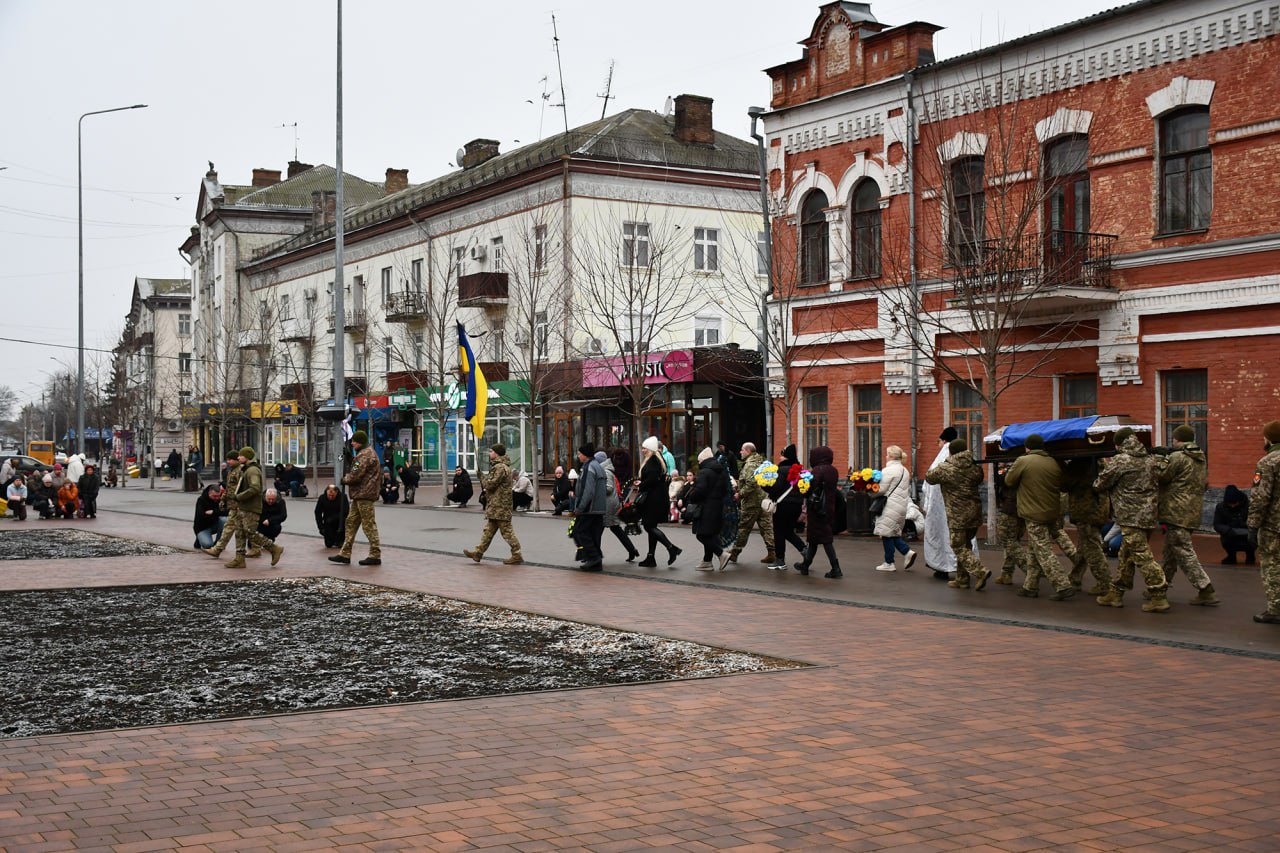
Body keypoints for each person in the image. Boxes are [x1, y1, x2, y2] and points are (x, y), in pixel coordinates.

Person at [1094, 428, 1167, 611]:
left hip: (1130, 516)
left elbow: (1100, 484)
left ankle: (1159, 595)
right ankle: (1116, 592)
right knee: (1126, 556)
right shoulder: (1151, 459)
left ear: (1119, 444)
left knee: (1143, 556)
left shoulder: (1121, 460)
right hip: (1148, 516)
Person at [1001, 435, 1073, 599]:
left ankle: (1062, 585)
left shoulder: (1023, 461)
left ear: (1027, 448)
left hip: (1033, 512)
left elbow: (1009, 480)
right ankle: (1030, 586)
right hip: (1051, 511)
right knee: (1033, 549)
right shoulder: (1052, 462)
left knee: (1043, 550)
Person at [1158, 424, 1217, 606]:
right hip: (1191, 511)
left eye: (1174, 438)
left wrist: (1159, 460)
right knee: (1170, 552)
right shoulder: (1200, 457)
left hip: (1175, 511)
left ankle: (1205, 587)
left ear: (1178, 439)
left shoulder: (1177, 457)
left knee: (1183, 552)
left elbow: (1161, 477)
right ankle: (1159, 586)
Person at [926, 438, 988, 591]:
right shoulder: (974, 466)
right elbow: (980, 478)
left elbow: (929, 478)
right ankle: (962, 579)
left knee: (957, 545)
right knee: (965, 544)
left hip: (958, 514)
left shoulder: (946, 468)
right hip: (975, 512)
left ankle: (980, 571)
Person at [1061, 456, 1112, 595]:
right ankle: (1075, 578)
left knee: (1092, 547)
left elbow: (1064, 485)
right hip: (1098, 508)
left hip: (1086, 510)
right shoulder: (1099, 461)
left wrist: (1062, 465)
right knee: (1084, 546)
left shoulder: (1079, 464)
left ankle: (1105, 583)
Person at [224, 447, 283, 568]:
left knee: (250, 532)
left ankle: (274, 548)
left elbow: (255, 488)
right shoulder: (246, 469)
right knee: (239, 533)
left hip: (250, 507)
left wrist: (239, 497)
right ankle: (239, 559)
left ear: (246, 457)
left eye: (240, 455)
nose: (238, 457)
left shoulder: (252, 470)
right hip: (243, 507)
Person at [464, 444, 522, 565]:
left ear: (497, 453)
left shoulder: (500, 468)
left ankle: (517, 554)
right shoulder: (501, 467)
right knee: (488, 531)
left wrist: (482, 477)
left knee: (507, 532)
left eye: (491, 451)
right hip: (497, 506)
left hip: (500, 506)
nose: (489, 453)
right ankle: (478, 553)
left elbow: (490, 484)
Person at [331, 430, 383, 566]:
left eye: (354, 441)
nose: (352, 443)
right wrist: (350, 459)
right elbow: (358, 469)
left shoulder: (364, 455)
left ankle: (375, 554)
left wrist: (344, 479)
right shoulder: (366, 454)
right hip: (360, 495)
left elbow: (356, 475)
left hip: (364, 494)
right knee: (351, 522)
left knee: (368, 525)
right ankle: (345, 553)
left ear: (360, 442)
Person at [1249, 420, 1280, 624]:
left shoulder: (1267, 462)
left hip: (1273, 525)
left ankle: (1276, 608)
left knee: (1272, 565)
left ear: (1269, 438)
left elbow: (1260, 497)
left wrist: (1252, 525)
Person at [794, 445, 842, 578]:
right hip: (828, 508)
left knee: (825, 539)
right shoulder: (833, 470)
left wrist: (801, 485)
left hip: (817, 509)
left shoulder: (817, 470)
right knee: (814, 538)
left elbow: (809, 488)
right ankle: (806, 564)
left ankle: (836, 568)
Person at [727, 441, 776, 565]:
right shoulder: (761, 462)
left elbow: (751, 484)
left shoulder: (750, 465)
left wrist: (739, 494)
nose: (740, 452)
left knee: (743, 527)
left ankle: (734, 553)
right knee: (767, 527)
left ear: (748, 451)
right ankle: (772, 552)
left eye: (742, 450)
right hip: (764, 500)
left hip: (751, 503)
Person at [636, 436, 680, 567]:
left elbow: (652, 479)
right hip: (656, 498)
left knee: (648, 526)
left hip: (653, 499)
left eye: (644, 448)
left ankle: (671, 548)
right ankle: (651, 557)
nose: (642, 450)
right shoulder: (656, 460)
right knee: (651, 526)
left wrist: (641, 484)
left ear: (649, 449)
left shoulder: (653, 461)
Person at [922, 427, 960, 579]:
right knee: (961, 537)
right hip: (962, 506)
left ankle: (943, 566)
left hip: (941, 506)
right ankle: (965, 567)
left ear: (944, 440)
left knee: (941, 534)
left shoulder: (943, 456)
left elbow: (930, 479)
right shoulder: (964, 457)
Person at [872, 445, 917, 572]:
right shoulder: (905, 471)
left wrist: (869, 489)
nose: (886, 456)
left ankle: (889, 562)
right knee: (891, 532)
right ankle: (907, 552)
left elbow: (881, 490)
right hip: (901, 506)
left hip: (889, 506)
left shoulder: (889, 470)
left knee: (886, 533)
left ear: (891, 456)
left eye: (887, 454)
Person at [765, 444, 808, 571]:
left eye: (782, 455)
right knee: (788, 531)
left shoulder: (781, 470)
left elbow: (775, 488)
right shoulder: (799, 470)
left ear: (786, 456)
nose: (780, 457)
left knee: (778, 532)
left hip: (782, 506)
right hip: (796, 506)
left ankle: (780, 560)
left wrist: (764, 486)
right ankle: (804, 550)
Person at [687, 447, 730, 570]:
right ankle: (707, 562)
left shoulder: (704, 472)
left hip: (706, 507)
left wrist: (692, 497)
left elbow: (700, 490)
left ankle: (721, 554)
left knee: (702, 535)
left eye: (699, 462)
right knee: (710, 534)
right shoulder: (720, 471)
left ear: (703, 461)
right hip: (718, 506)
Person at [573, 445, 608, 571]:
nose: (578, 456)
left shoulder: (589, 467)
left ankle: (594, 557)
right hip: (599, 507)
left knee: (580, 531)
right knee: (593, 534)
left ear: (585, 454)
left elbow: (587, 490)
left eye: (579, 454)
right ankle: (595, 562)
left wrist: (580, 507)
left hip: (590, 507)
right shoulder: (598, 466)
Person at [204, 451, 244, 558]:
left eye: (230, 459)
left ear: (237, 460)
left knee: (240, 529)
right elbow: (228, 488)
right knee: (235, 528)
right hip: (233, 505)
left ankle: (270, 548)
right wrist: (223, 499)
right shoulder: (232, 471)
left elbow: (240, 489)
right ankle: (218, 549)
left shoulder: (240, 471)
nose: (228, 461)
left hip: (239, 505)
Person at [601, 451, 639, 563]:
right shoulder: (609, 469)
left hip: (608, 505)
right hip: (611, 504)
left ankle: (594, 554)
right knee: (615, 528)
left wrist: (597, 490)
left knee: (598, 529)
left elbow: (608, 488)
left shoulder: (606, 471)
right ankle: (632, 550)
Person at [993, 463, 1028, 585]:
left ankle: (1031, 570)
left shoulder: (1017, 467)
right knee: (1013, 541)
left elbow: (1005, 481)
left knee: (1008, 540)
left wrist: (1002, 469)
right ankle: (1006, 573)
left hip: (1011, 508)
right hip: (1022, 507)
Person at [1213, 485, 1254, 565]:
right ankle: (1231, 556)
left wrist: (1245, 525)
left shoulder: (1250, 506)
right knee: (1225, 539)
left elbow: (1256, 522)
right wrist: (1228, 530)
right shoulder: (1221, 507)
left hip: (1247, 533)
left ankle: (1250, 555)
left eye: (1235, 503)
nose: (1233, 506)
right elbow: (1217, 524)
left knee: (1253, 539)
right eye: (1230, 503)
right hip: (1230, 533)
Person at [193, 483, 227, 549]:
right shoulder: (201, 500)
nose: (217, 498)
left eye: (218, 496)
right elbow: (201, 516)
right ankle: (199, 539)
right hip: (202, 528)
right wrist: (219, 513)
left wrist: (213, 512)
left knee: (225, 520)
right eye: (214, 496)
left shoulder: (221, 499)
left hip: (215, 524)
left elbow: (228, 512)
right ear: (209, 493)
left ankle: (218, 544)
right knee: (207, 545)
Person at [314, 484, 349, 548]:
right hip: (328, 522)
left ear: (336, 492)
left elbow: (345, 511)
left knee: (339, 543)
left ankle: (340, 540)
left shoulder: (343, 497)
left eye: (333, 495)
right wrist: (321, 527)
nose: (331, 497)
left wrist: (333, 518)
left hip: (340, 521)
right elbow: (317, 512)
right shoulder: (322, 498)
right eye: (329, 495)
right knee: (329, 544)